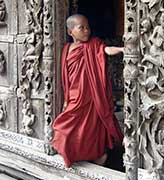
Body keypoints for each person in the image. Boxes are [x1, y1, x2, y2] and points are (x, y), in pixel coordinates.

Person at [51, 14, 124, 168]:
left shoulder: (93, 45)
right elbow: (65, 75)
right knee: (65, 127)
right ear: (71, 32)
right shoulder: (66, 49)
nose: (86, 31)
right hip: (74, 96)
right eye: (81, 28)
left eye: (87, 27)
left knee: (91, 129)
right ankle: (72, 152)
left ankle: (98, 154)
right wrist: (66, 98)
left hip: (91, 95)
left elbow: (106, 50)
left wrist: (122, 49)